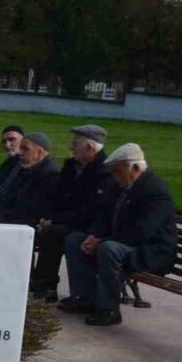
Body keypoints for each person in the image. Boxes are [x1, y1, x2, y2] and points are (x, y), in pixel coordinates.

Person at [62, 143, 177, 326]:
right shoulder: (122, 186)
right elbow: (106, 214)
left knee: (109, 249)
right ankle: (85, 298)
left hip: (151, 252)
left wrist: (103, 240)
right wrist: (94, 235)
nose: (115, 176)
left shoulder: (156, 190)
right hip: (125, 244)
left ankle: (109, 310)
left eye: (118, 171)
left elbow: (142, 231)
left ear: (136, 168)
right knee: (75, 241)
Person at [30, 125, 120, 301]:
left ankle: (47, 286)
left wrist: (55, 220)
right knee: (45, 229)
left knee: (55, 233)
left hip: (89, 227)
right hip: (70, 220)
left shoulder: (104, 173)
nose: (71, 147)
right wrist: (48, 217)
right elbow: (57, 196)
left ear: (90, 147)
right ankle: (42, 284)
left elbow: (90, 211)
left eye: (75, 144)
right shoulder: (72, 167)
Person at [0, 132, 60, 227]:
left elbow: (33, 210)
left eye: (25, 149)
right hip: (14, 217)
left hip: (29, 223)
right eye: (20, 148)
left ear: (40, 152)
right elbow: (9, 197)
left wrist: (0, 216)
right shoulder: (26, 169)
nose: (20, 153)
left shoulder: (51, 175)